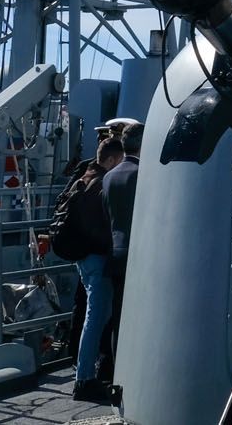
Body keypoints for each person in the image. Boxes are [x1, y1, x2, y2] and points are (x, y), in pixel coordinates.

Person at [70, 136, 124, 403]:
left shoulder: (85, 176)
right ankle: (84, 379)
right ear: (112, 159)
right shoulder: (101, 184)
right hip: (96, 258)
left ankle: (86, 371)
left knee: (96, 316)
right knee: (96, 317)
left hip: (84, 258)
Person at [97, 119, 142, 384]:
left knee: (118, 316)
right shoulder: (144, 174)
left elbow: (108, 216)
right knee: (138, 317)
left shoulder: (110, 177)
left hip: (115, 255)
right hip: (139, 257)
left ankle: (116, 374)